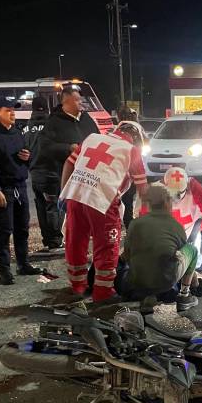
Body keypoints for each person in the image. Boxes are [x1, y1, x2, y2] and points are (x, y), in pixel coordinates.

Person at [60, 120, 149, 301]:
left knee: (75, 241)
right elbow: (143, 189)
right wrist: (145, 216)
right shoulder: (131, 151)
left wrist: (63, 194)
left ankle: (77, 287)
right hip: (103, 201)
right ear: (136, 138)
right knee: (107, 246)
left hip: (75, 195)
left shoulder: (92, 139)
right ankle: (103, 292)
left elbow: (68, 164)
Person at [0, 97, 42, 285]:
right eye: (8, 110)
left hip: (20, 186)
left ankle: (23, 264)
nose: (13, 113)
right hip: (3, 189)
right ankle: (4, 271)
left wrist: (27, 157)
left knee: (23, 229)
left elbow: (25, 157)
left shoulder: (17, 132)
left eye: (13, 110)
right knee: (4, 231)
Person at [34, 85, 99, 250]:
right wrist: (68, 148)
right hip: (62, 175)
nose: (81, 104)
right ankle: (59, 239)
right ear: (66, 102)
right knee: (62, 210)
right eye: (77, 100)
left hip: (85, 175)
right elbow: (45, 147)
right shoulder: (54, 122)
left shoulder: (86, 119)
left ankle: (83, 235)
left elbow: (97, 139)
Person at [123, 183, 198, 314]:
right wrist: (195, 282)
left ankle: (148, 295)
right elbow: (181, 255)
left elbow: (126, 255)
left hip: (136, 281)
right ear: (167, 202)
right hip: (165, 281)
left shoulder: (135, 224)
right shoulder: (175, 226)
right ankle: (184, 296)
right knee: (192, 249)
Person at [139, 166, 202, 270]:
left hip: (191, 230)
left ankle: (198, 268)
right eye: (173, 194)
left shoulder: (192, 185)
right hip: (167, 237)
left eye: (180, 193)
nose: (177, 198)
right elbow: (144, 222)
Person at [21, 95, 58, 253]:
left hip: (35, 174)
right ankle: (55, 241)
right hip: (52, 172)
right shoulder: (53, 126)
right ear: (47, 108)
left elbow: (22, 152)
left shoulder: (25, 129)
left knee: (41, 206)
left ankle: (46, 239)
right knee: (53, 206)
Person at [116, 105, 140, 229]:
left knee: (123, 197)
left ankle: (123, 220)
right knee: (129, 197)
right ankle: (127, 221)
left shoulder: (117, 128)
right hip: (129, 168)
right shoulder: (134, 128)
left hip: (118, 169)